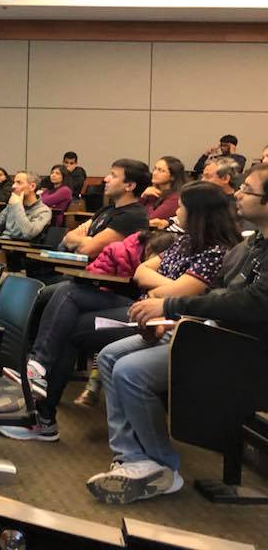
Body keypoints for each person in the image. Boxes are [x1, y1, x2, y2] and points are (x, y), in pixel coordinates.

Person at [0, 181, 240, 442]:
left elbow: (181, 293)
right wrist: (167, 286)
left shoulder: (216, 251)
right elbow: (141, 272)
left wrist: (162, 287)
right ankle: (39, 371)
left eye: (180, 207)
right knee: (67, 291)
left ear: (198, 212)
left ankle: (42, 413)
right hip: (140, 306)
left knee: (68, 325)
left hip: (164, 320)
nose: (174, 213)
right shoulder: (185, 242)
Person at [86, 165, 268, 504]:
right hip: (207, 333)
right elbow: (219, 297)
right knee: (110, 357)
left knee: (130, 372)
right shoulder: (251, 244)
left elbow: (250, 304)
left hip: (244, 352)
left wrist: (172, 309)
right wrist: (179, 317)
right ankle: (133, 458)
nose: (239, 194)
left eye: (248, 190)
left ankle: (162, 466)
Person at [72, 230, 178, 408]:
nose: (147, 261)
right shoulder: (145, 267)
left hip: (158, 320)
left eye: (152, 256)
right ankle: (93, 387)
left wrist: (158, 290)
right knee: (104, 343)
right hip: (140, 309)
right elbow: (141, 277)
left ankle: (93, 386)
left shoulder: (171, 268)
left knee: (106, 344)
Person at [60, 159, 151, 260]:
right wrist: (86, 240)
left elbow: (88, 250)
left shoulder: (133, 216)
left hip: (96, 274)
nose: (106, 179)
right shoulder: (107, 209)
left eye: (114, 176)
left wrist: (80, 241)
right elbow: (67, 237)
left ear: (129, 186)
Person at [0, 171, 52, 241]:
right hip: (2, 243)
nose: (13, 186)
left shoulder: (44, 211)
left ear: (32, 186)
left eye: (19, 183)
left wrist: (17, 205)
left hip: (20, 248)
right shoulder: (12, 205)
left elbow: (29, 233)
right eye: (14, 182)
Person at [139, 156, 186, 229]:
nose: (154, 173)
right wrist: (143, 196)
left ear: (172, 176)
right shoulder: (151, 191)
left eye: (161, 170)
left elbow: (151, 220)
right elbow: (133, 212)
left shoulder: (175, 197)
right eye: (155, 169)